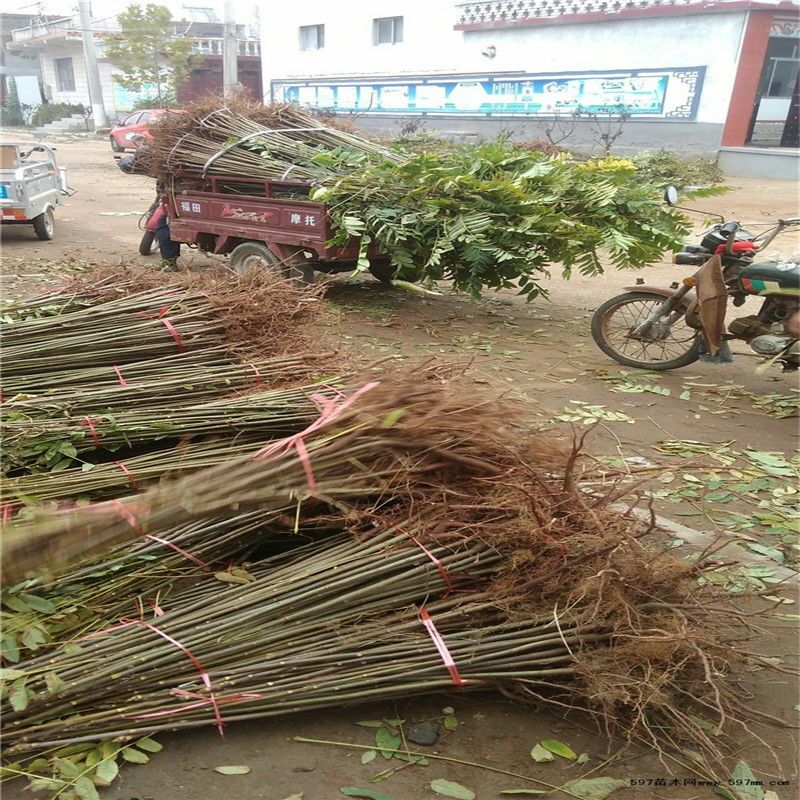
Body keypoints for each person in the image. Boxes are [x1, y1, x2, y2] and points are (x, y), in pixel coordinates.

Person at [117, 146, 180, 268]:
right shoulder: (167, 163)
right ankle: (169, 263)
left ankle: (169, 263)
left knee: (164, 228)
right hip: (176, 200)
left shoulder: (169, 166)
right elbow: (127, 165)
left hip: (176, 203)